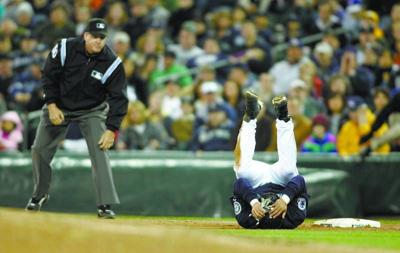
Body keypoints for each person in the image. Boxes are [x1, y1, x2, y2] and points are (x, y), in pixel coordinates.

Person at [25, 18, 128, 219]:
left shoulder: (113, 63)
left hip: (92, 109)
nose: (99, 41)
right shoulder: (65, 47)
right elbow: (48, 76)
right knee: (39, 149)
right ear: (85, 35)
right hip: (59, 106)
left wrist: (111, 128)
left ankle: (104, 205)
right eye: (95, 36)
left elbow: (119, 98)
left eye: (102, 38)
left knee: (101, 151)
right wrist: (52, 104)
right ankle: (39, 195)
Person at [231, 91, 308, 229]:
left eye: (265, 211)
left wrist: (254, 202)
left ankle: (250, 116)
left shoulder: (247, 219)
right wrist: (284, 199)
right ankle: (283, 117)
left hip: (256, 183)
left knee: (241, 170)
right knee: (289, 169)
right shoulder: (294, 217)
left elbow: (239, 184)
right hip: (281, 182)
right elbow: (300, 181)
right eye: (273, 211)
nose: (270, 207)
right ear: (283, 215)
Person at [359, 92, 400, 156]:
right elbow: (385, 113)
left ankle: (372, 146)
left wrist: (374, 144)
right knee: (394, 116)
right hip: (392, 145)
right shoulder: (398, 98)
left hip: (385, 141)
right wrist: (371, 132)